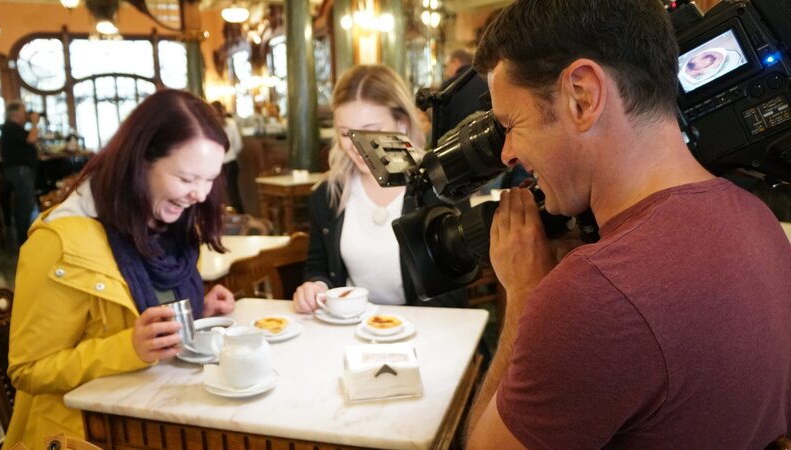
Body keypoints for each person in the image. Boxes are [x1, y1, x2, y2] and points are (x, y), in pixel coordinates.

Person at [465, 0, 791, 448]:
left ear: (582, 95)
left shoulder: (594, 296)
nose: (506, 154)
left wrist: (524, 294)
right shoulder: (759, 220)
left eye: (511, 124)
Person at [5, 89, 236, 449]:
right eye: (188, 179)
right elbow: (28, 370)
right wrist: (127, 347)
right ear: (140, 161)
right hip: (88, 434)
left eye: (210, 179)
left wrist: (196, 311)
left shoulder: (171, 226)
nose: (201, 195)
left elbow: (135, 307)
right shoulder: (60, 242)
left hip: (159, 418)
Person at [293, 64, 466, 312]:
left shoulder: (436, 187)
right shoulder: (329, 193)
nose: (356, 145)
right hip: (351, 329)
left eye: (370, 131)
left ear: (402, 123)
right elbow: (318, 267)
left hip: (421, 331)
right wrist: (315, 286)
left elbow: (450, 291)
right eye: (345, 133)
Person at [0, 101, 40, 247]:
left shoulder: (15, 128)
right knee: (25, 205)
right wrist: (35, 123)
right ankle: (24, 241)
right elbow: (31, 139)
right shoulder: (11, 127)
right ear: (15, 114)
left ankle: (24, 239)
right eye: (24, 113)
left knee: (25, 205)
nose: (27, 116)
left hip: (21, 171)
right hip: (20, 171)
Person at [436, 48, 490, 141]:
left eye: (446, 66)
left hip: (456, 145)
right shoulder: (488, 80)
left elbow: (439, 128)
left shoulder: (449, 87)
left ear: (455, 62)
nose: (445, 72)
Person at [211, 100, 244, 213]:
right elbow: (238, 145)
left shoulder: (210, 126)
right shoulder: (231, 123)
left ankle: (223, 220)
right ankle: (240, 218)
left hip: (217, 165)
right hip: (231, 162)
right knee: (233, 194)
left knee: (218, 195)